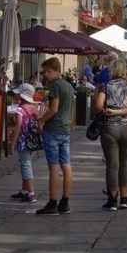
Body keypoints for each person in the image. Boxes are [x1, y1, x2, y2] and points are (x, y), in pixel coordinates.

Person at [95, 59, 127, 211]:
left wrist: (112, 111)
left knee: (112, 165)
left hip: (110, 127)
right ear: (123, 71)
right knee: (125, 164)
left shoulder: (105, 86)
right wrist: (121, 111)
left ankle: (112, 200)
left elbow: (98, 106)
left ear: (111, 71)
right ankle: (125, 199)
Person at [35, 58, 74, 216]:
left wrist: (40, 120)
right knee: (66, 165)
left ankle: (52, 203)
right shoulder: (69, 86)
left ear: (57, 71)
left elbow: (54, 109)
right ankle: (65, 202)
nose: (46, 75)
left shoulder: (56, 86)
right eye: (44, 72)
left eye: (48, 72)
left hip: (53, 129)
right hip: (65, 129)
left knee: (53, 166)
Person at [10, 84, 40, 204]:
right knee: (25, 164)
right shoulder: (34, 108)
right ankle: (24, 190)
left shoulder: (20, 110)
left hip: (23, 141)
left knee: (26, 165)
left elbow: (18, 127)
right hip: (32, 141)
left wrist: (12, 143)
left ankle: (31, 194)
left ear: (22, 95)